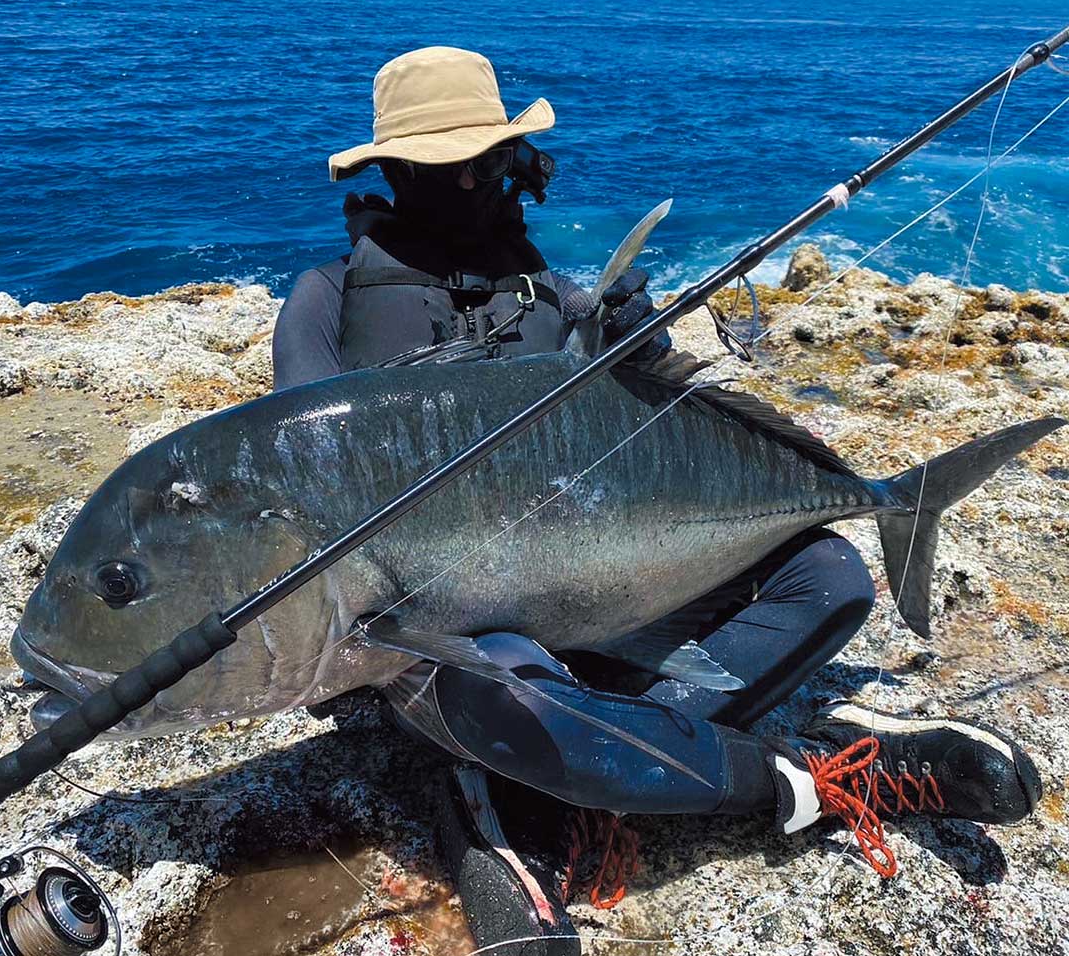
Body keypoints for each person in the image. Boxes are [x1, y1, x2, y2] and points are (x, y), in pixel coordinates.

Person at [276, 46, 1043, 956]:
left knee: (831, 575)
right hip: (443, 635)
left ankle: (555, 774)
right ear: (393, 173)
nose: (471, 183)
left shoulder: (558, 296)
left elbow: (642, 448)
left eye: (483, 160)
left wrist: (639, 347)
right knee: (512, 684)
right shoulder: (323, 302)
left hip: (600, 588)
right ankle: (814, 778)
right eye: (439, 167)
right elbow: (304, 481)